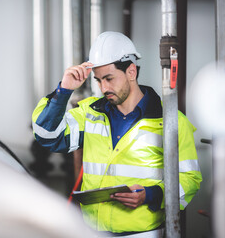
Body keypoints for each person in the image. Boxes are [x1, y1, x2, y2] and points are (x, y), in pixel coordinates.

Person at [32, 31, 202, 237]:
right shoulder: (90, 115)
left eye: (109, 78)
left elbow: (189, 178)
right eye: (98, 80)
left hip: (142, 234)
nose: (104, 87)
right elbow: (46, 136)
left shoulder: (170, 122)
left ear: (131, 72)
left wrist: (151, 194)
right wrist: (63, 91)